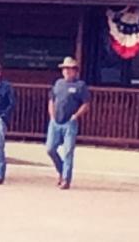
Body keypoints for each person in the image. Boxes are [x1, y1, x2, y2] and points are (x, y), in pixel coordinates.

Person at [47, 56, 91, 190]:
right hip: (55, 122)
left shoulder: (80, 86)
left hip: (70, 122)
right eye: (65, 69)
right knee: (50, 149)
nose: (66, 71)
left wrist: (76, 116)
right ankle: (61, 171)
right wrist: (52, 115)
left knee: (68, 152)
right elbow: (51, 100)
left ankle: (66, 179)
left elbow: (86, 104)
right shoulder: (58, 83)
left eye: (69, 69)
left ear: (75, 71)